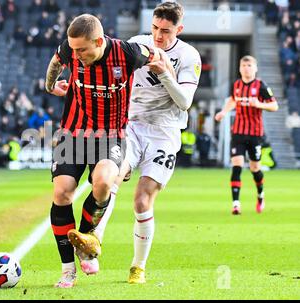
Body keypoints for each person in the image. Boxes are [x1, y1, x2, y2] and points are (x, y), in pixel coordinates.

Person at [68, 2, 201, 284]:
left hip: (164, 132)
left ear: (179, 29)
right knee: (108, 178)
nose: (158, 36)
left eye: (165, 31)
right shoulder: (136, 45)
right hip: (130, 126)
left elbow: (185, 102)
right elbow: (99, 70)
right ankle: (94, 241)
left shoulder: (189, 56)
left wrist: (164, 71)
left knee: (141, 200)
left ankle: (138, 267)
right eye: (154, 28)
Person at [45, 13, 160, 288]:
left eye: (82, 49)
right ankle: (67, 269)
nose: (77, 54)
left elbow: (155, 55)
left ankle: (86, 240)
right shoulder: (71, 50)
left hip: (110, 135)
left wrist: (165, 74)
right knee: (62, 192)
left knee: (104, 182)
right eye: (74, 49)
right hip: (73, 131)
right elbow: (56, 60)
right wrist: (51, 85)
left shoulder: (127, 53)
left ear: (99, 41)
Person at [215, 55, 279, 215]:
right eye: (244, 66)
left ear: (255, 68)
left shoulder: (261, 86)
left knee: (255, 169)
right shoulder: (236, 84)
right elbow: (233, 100)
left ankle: (260, 195)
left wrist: (259, 104)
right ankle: (236, 204)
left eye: (249, 65)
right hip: (238, 132)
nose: (246, 68)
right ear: (240, 68)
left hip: (255, 134)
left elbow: (275, 106)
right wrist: (223, 112)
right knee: (236, 167)